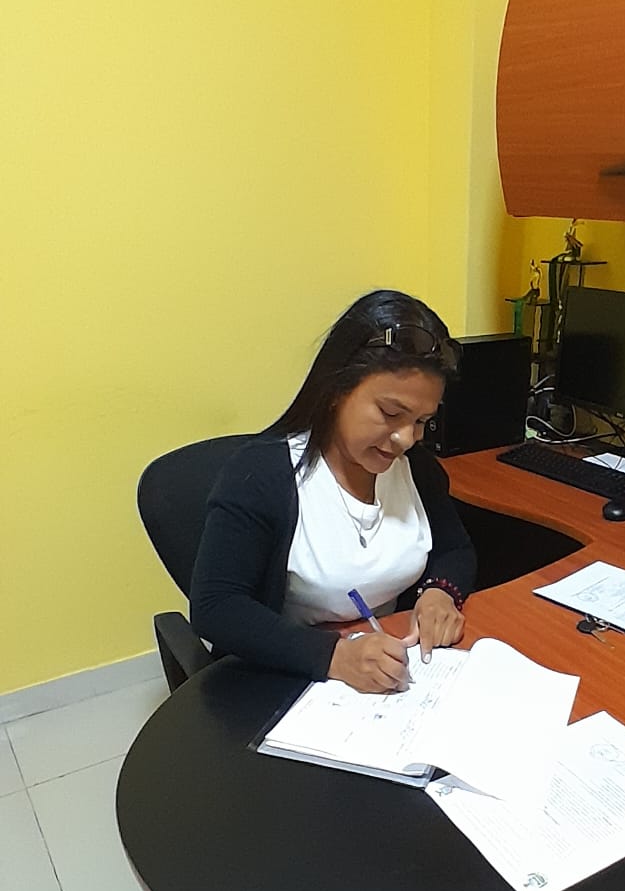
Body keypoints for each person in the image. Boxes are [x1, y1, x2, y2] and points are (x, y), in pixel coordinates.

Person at [190, 289, 477, 694]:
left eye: (421, 421)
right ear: (338, 388)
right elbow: (217, 607)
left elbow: (455, 548)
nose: (406, 438)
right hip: (285, 673)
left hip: (389, 663)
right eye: (390, 413)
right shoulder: (262, 475)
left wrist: (439, 593)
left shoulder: (416, 469)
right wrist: (334, 657)